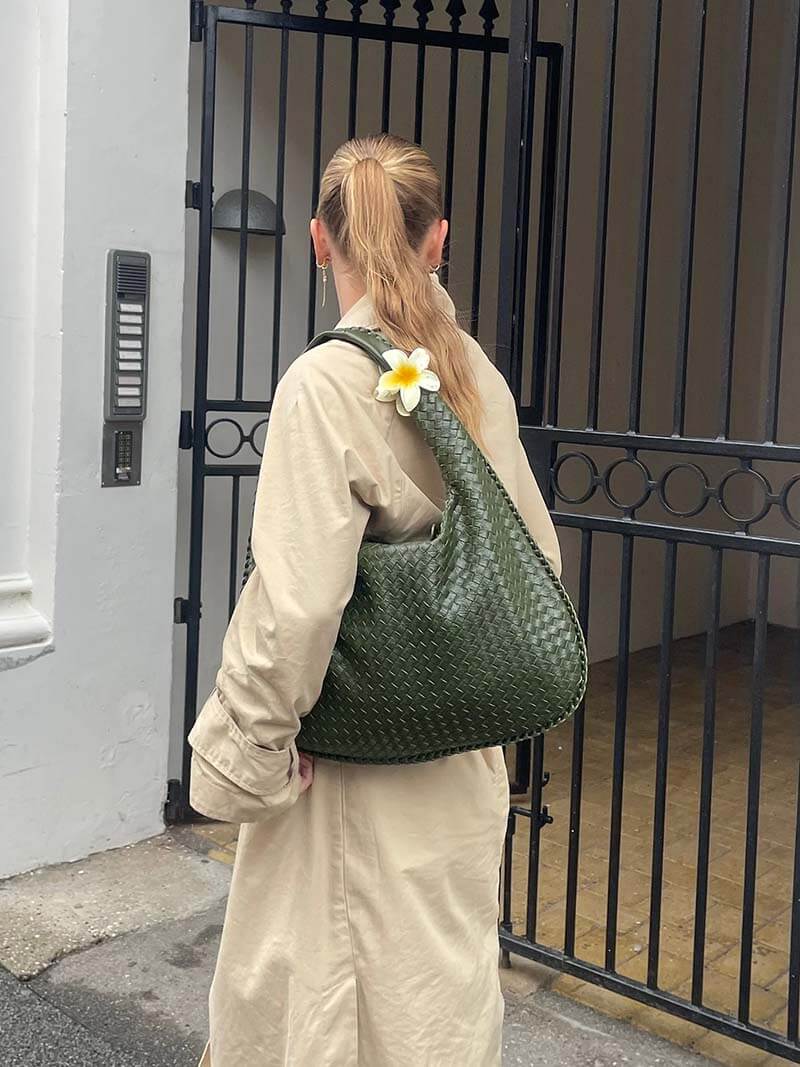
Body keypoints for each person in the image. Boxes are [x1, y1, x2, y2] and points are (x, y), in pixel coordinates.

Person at [188, 133, 561, 1067]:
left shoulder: (326, 382)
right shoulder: (472, 372)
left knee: (325, 1016)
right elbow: (534, 560)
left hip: (351, 777)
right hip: (459, 765)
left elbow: (298, 606)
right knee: (438, 1006)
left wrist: (248, 761)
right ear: (440, 241)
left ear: (321, 241)